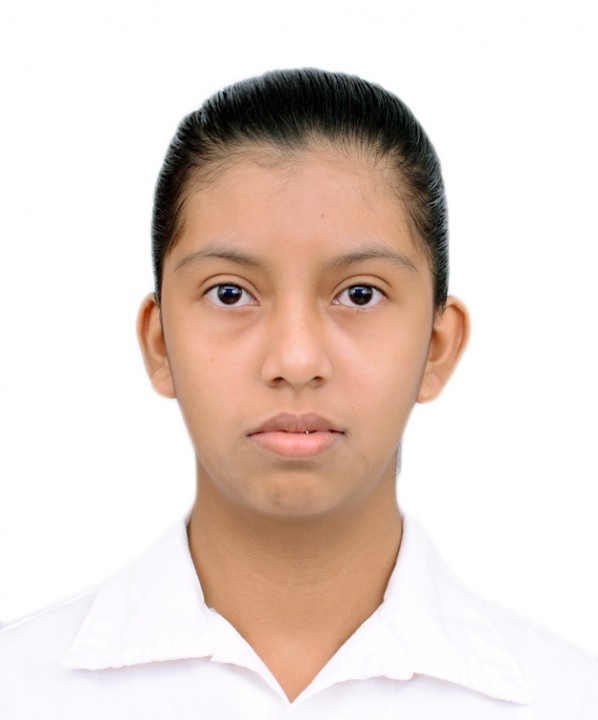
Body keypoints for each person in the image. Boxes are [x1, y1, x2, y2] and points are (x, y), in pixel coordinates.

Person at [1, 68, 596, 718]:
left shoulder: (566, 700)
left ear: (436, 347)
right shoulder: (22, 691)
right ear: (160, 343)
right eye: (230, 293)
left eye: (360, 294)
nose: (296, 360)